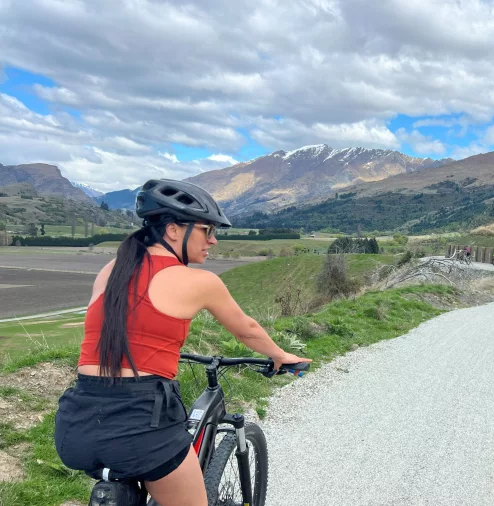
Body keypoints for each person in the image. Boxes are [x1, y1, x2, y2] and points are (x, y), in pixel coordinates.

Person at [54, 179, 309, 506]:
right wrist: (280, 355)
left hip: (76, 423)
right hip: (140, 424)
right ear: (174, 230)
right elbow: (246, 330)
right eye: (207, 230)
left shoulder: (112, 268)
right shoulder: (200, 282)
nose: (213, 241)